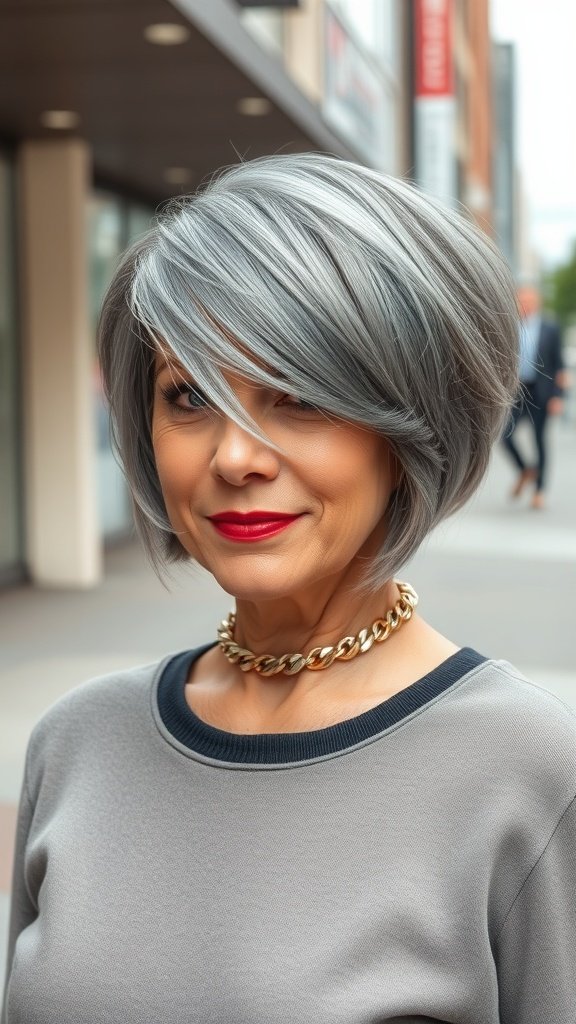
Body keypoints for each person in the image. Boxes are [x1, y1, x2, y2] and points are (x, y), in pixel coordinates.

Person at [3, 154, 575, 1024]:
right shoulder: (79, 741)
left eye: (299, 396)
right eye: (189, 396)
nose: (235, 456)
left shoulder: (525, 768)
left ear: (410, 426)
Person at [501, 283, 565, 509]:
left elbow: (559, 365)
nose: (525, 305)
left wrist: (558, 396)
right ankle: (525, 470)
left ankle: (539, 491)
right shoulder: (510, 327)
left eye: (529, 301)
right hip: (517, 391)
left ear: (537, 303)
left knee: (539, 440)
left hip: (542, 392)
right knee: (505, 436)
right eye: (522, 301)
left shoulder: (550, 328)